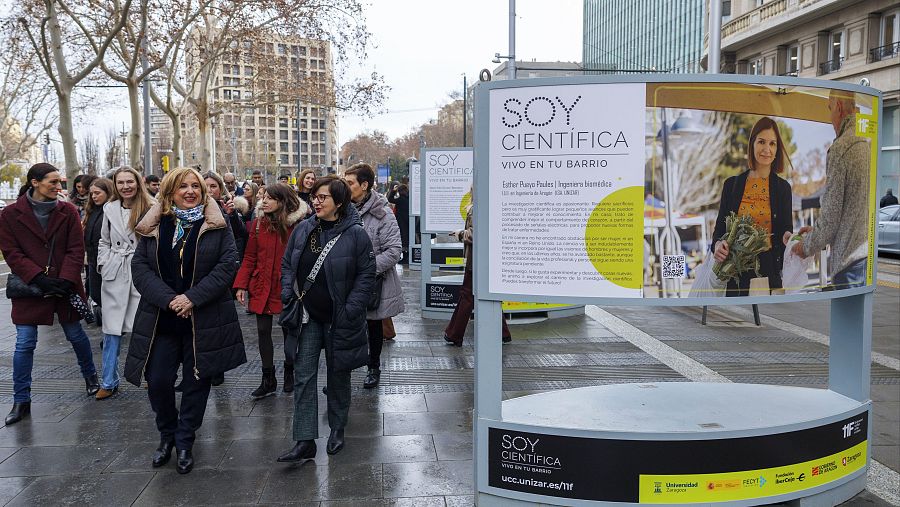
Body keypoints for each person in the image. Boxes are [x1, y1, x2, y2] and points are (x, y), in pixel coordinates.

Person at [125, 166, 246, 474]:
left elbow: (227, 265)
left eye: (195, 186)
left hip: (204, 319)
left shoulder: (217, 224)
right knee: (158, 381)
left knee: (196, 383)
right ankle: (166, 434)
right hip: (162, 319)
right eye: (183, 186)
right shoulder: (156, 224)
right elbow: (140, 268)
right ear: (169, 193)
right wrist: (170, 300)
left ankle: (184, 440)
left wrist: (192, 298)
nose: (190, 191)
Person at [277, 176, 375, 462]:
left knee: (338, 376)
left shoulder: (356, 234)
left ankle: (337, 428)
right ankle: (304, 439)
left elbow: (366, 275)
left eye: (323, 197)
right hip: (307, 317)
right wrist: (287, 293)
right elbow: (288, 264)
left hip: (339, 319)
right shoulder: (303, 229)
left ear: (339, 202)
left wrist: (351, 309)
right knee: (303, 376)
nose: (316, 202)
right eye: (314, 197)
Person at [0, 163, 100, 425]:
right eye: (53, 182)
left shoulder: (68, 211)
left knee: (75, 335)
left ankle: (90, 377)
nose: (59, 187)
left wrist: (65, 280)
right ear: (35, 182)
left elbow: (76, 249)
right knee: (24, 343)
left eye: (59, 182)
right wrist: (39, 278)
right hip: (30, 287)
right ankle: (21, 400)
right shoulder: (10, 214)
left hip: (64, 286)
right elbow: (11, 252)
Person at [233, 184, 309, 398]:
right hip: (262, 283)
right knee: (263, 330)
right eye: (263, 197)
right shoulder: (259, 223)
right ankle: (268, 378)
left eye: (269, 198)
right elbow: (250, 256)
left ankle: (290, 371)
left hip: (287, 285)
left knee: (289, 329)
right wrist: (241, 284)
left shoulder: (298, 226)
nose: (263, 201)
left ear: (282, 201)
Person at [789, 91, 870, 289]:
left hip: (848, 262)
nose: (829, 117)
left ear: (839, 108)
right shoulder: (864, 143)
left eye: (829, 109)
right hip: (863, 256)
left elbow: (831, 215)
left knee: (846, 310)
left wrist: (805, 246)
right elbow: (848, 211)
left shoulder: (841, 148)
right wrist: (816, 232)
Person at [712, 116, 793, 297]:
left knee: (767, 316)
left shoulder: (783, 188)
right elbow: (719, 231)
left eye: (772, 144)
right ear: (752, 144)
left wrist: (789, 237)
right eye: (761, 142)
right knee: (737, 316)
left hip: (769, 272)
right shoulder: (731, 185)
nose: (767, 149)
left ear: (777, 149)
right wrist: (717, 245)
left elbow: (785, 230)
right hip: (735, 274)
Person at [95, 167, 155, 400]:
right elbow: (104, 241)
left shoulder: (151, 206)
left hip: (142, 272)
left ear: (138, 182)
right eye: (120, 182)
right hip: (116, 272)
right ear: (115, 185)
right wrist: (104, 264)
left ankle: (150, 375)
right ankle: (108, 381)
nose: (125, 186)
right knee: (111, 331)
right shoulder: (109, 208)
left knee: (145, 329)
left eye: (130, 181)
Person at [344, 164, 405, 389]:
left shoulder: (383, 213)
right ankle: (342, 374)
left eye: (350, 183)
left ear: (364, 185)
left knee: (373, 325)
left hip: (373, 282)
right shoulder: (342, 210)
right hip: (345, 281)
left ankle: (373, 367)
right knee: (346, 328)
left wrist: (366, 269)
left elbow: (394, 251)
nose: (345, 187)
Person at [443, 198, 512, 346]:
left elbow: (476, 233)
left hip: (475, 260)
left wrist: (460, 234)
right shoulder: (488, 203)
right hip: (484, 258)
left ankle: (455, 334)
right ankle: (503, 333)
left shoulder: (477, 206)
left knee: (467, 296)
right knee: (484, 295)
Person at [83, 177, 114, 320]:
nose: (94, 196)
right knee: (96, 294)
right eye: (92, 194)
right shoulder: (92, 211)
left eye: (97, 193)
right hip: (93, 262)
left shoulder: (112, 211)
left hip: (108, 263)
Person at [204, 171, 248, 261]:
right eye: (205, 186)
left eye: (213, 186)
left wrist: (231, 215)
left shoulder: (228, 205)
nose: (209, 190)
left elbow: (241, 233)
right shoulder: (193, 210)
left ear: (220, 189)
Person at [387, 182, 410, 264]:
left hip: (401, 222)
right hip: (409, 222)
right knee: (407, 239)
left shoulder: (400, 199)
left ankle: (406, 257)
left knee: (403, 239)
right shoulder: (409, 199)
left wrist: (393, 191)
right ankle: (408, 257)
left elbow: (390, 199)